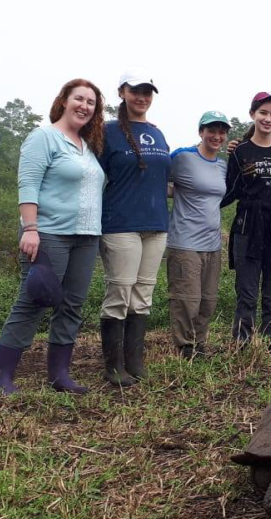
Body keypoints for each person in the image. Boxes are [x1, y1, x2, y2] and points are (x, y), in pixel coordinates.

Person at [0, 79, 106, 395]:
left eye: (91, 102)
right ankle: (3, 378)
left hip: (87, 236)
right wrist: (30, 228)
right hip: (49, 234)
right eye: (79, 99)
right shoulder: (44, 137)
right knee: (32, 301)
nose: (84, 106)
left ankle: (60, 376)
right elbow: (28, 184)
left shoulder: (88, 146)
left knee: (72, 304)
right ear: (64, 101)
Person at [99, 69, 171, 386]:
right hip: (120, 223)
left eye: (147, 91)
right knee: (120, 290)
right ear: (122, 93)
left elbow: (163, 179)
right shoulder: (106, 131)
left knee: (143, 293)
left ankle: (135, 362)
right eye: (135, 90)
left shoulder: (157, 133)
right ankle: (113, 366)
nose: (142, 96)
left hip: (156, 223)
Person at [222, 92, 271, 346]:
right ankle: (242, 344)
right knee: (247, 293)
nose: (268, 118)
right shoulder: (239, 150)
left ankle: (270, 343)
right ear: (253, 114)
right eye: (263, 112)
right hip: (248, 226)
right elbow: (229, 190)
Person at [166, 111, 229, 359]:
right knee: (186, 299)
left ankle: (199, 344)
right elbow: (156, 175)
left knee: (207, 300)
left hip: (212, 243)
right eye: (211, 130)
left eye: (221, 132)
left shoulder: (222, 165)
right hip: (185, 242)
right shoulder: (183, 157)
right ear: (201, 131)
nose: (216, 136)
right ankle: (185, 347)